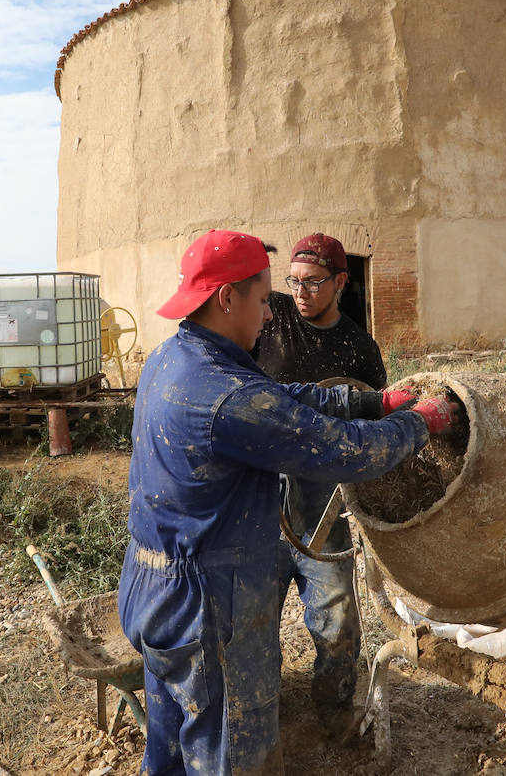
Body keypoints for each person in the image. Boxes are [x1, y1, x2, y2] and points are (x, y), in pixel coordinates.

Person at [118, 229, 454, 776]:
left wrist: (368, 399)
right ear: (228, 298)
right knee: (230, 753)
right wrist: (420, 421)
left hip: (152, 585)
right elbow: (346, 452)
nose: (271, 314)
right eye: (262, 297)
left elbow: (280, 399)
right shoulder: (228, 397)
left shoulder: (171, 358)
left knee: (172, 745)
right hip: (209, 606)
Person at [251, 233, 385, 715]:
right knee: (252, 614)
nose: (301, 292)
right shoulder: (273, 318)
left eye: (313, 283)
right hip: (262, 490)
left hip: (324, 501)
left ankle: (332, 711)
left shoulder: (359, 350)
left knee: (338, 619)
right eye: (294, 282)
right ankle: (261, 706)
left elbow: (371, 428)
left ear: (341, 282)